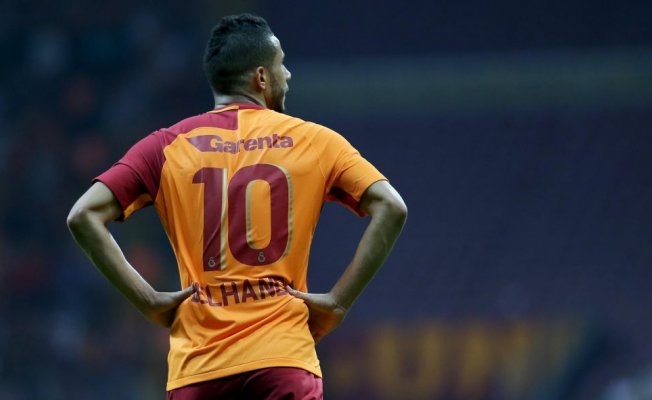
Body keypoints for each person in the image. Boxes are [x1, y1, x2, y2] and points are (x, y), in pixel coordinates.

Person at [67, 13, 407, 400]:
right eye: (281, 64)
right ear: (261, 77)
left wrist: (148, 301)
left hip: (200, 366)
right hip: (283, 358)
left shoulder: (165, 146)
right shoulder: (314, 141)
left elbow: (83, 215)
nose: (288, 75)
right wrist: (338, 302)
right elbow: (391, 207)